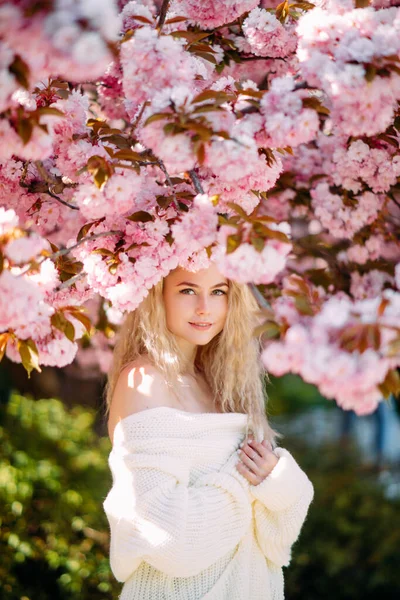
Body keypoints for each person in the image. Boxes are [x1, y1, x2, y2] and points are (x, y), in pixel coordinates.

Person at [103, 262, 314, 600]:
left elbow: (276, 540)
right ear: (157, 296)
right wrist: (248, 479)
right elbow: (168, 537)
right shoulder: (143, 382)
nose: (204, 308)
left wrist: (277, 479)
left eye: (219, 292)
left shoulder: (221, 384)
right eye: (187, 290)